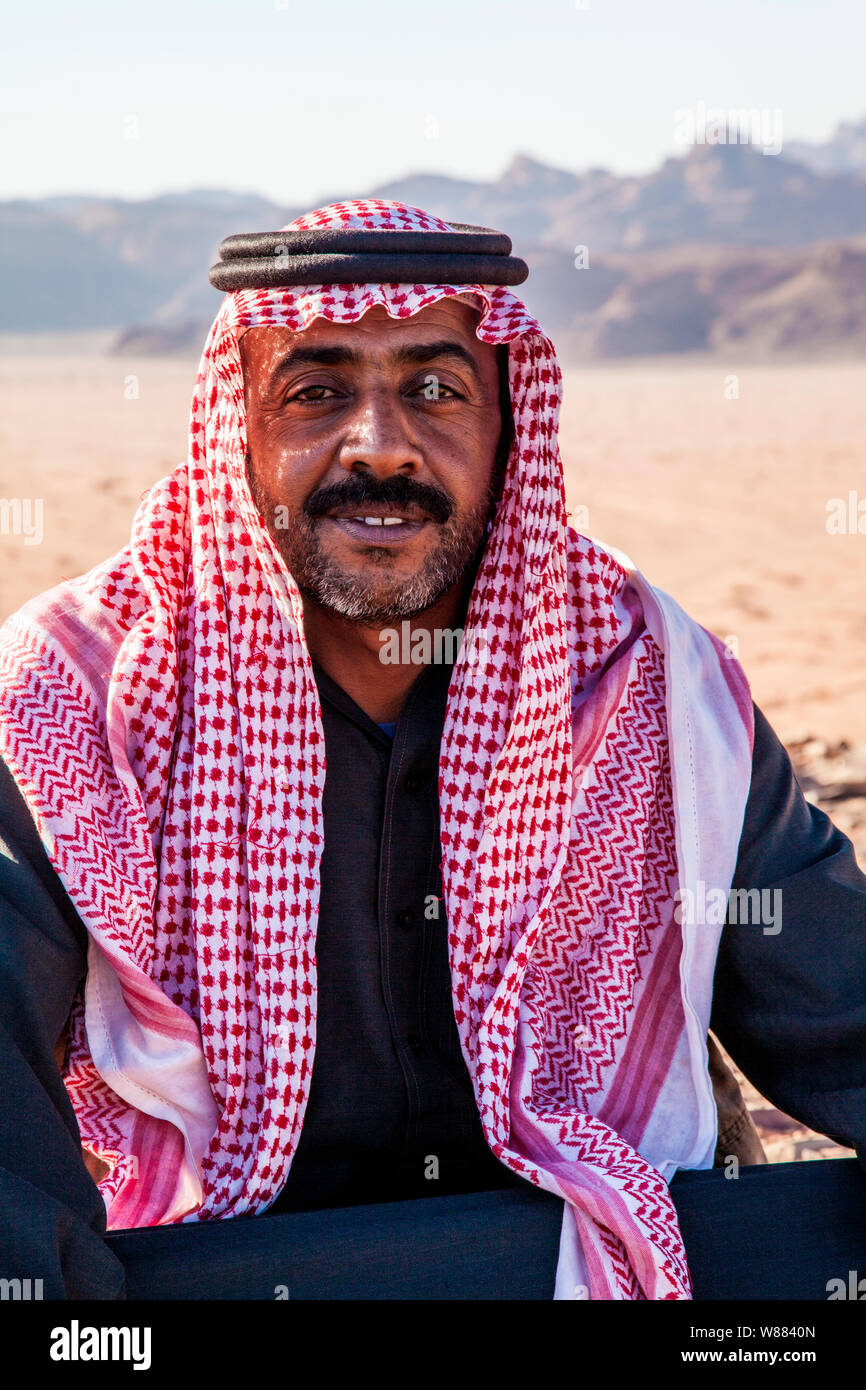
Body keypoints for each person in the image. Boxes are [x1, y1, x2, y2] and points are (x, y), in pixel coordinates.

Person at [1, 199, 864, 1302]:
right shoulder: (76, 701)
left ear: (508, 427)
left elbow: (839, 1007)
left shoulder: (651, 686)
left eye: (434, 389)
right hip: (232, 1276)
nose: (379, 445)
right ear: (240, 431)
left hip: (580, 1257)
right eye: (313, 392)